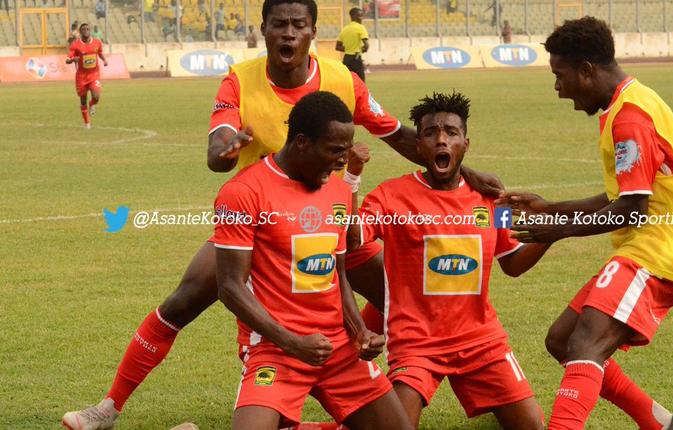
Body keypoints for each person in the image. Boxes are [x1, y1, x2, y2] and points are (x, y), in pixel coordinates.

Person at [61, 0, 502, 428]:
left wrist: (463, 171)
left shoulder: (342, 80)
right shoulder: (239, 80)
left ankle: (375, 367)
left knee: (399, 296)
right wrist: (226, 151)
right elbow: (218, 149)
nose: (288, 33)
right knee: (183, 302)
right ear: (264, 29)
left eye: (298, 24)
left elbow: (399, 136)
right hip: (256, 224)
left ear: (313, 31)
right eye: (279, 24)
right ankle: (109, 407)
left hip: (324, 219)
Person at [496, 16, 673, 429]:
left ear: (587, 71)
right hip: (650, 244)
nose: (557, 89)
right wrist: (552, 208)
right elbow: (622, 196)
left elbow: (630, 210)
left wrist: (559, 230)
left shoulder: (630, 118)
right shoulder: (628, 103)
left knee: (586, 341)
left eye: (559, 76)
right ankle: (660, 423)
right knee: (563, 341)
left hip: (662, 248)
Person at [349, 91, 549, 429]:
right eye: (430, 133)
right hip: (416, 342)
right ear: (418, 147)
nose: (442, 139)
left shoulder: (491, 201)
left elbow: (512, 262)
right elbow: (352, 238)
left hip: (481, 341)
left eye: (451, 133)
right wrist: (351, 177)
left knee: (533, 426)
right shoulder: (390, 196)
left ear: (465, 144)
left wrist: (549, 232)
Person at [213, 91, 412, 430]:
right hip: (275, 349)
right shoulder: (243, 192)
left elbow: (338, 275)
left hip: (337, 348)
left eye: (347, 150)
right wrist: (291, 341)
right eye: (336, 150)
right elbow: (230, 287)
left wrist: (360, 331)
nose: (343, 160)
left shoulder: (336, 192)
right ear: (302, 142)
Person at [65, 23, 108, 130]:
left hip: (94, 75)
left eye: (88, 29)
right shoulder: (75, 45)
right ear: (80, 32)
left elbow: (100, 53)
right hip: (81, 77)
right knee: (83, 100)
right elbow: (67, 59)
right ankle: (87, 123)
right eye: (83, 29)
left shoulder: (97, 42)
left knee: (96, 96)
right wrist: (72, 60)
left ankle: (92, 103)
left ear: (90, 31)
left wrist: (104, 59)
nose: (86, 30)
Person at [335, 7, 368, 81]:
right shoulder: (360, 27)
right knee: (361, 81)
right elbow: (366, 45)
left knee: (347, 81)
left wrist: (348, 48)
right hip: (356, 58)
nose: (361, 18)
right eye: (359, 16)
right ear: (353, 16)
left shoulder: (345, 29)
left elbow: (337, 47)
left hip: (346, 59)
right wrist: (363, 49)